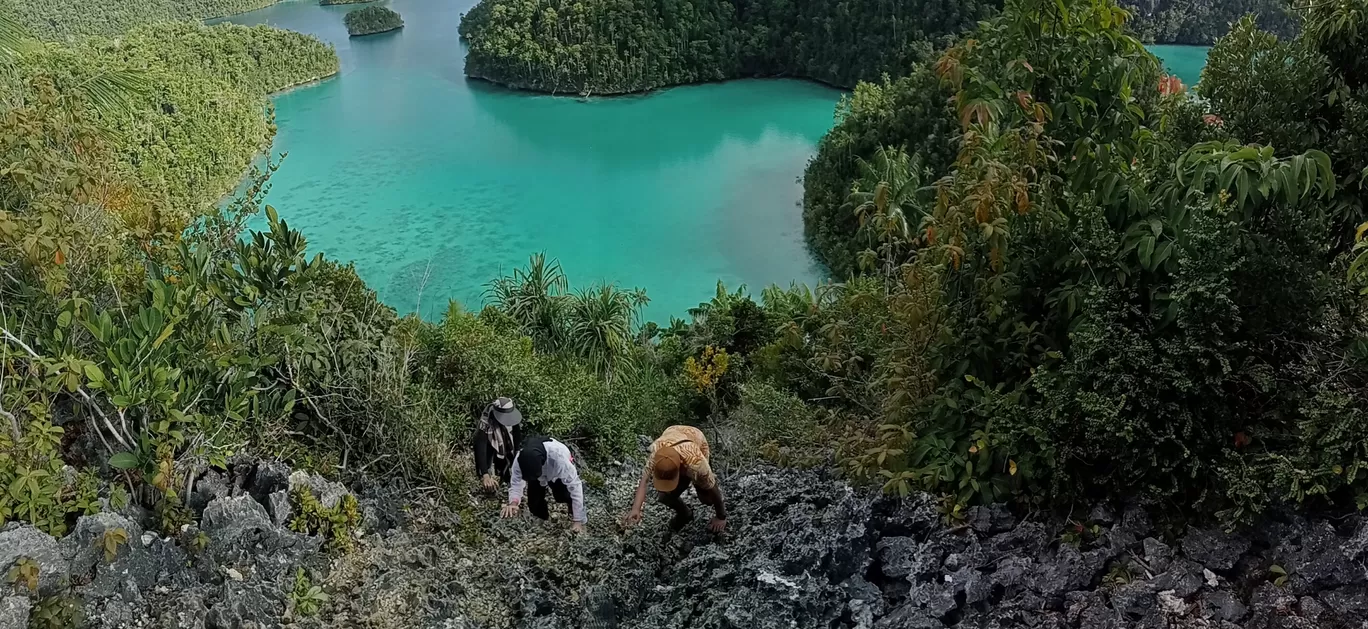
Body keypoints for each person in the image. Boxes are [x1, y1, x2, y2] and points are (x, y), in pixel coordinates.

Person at [622, 425, 727, 533]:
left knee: (707, 499)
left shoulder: (696, 463)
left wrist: (721, 517)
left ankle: (693, 482)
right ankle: (686, 514)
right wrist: (636, 509)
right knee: (664, 496)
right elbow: (644, 482)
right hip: (672, 433)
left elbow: (712, 486)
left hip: (696, 438)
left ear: (681, 467)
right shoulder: (656, 455)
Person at [501, 436, 586, 533]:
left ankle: (575, 513)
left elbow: (575, 487)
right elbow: (516, 483)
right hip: (535, 472)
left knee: (563, 496)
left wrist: (577, 521)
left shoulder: (560, 460)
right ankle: (543, 525)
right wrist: (513, 503)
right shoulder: (519, 460)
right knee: (534, 504)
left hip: (554, 471)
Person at [473, 397, 525, 491]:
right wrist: (485, 475)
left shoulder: (513, 419)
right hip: (491, 449)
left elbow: (517, 439)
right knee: (490, 482)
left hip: (507, 447)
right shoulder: (485, 424)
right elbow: (480, 449)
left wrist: (517, 460)